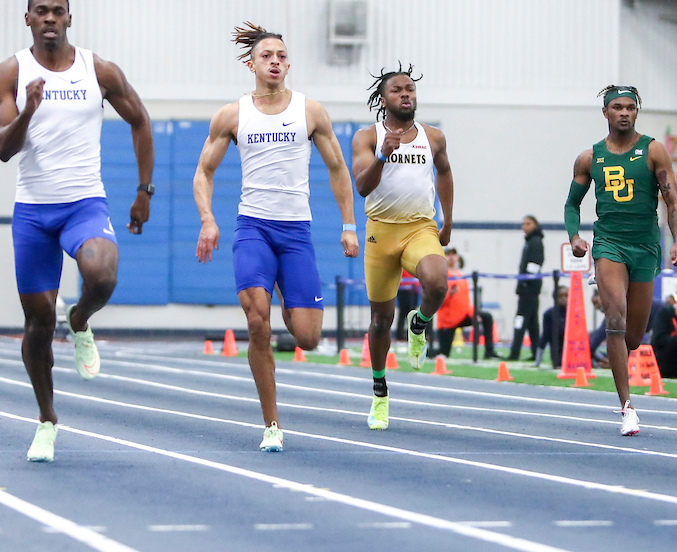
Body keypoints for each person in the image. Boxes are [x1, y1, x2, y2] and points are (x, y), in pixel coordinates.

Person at [0, 0, 155, 463]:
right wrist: (28, 112)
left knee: (103, 274)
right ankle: (46, 419)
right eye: (40, 11)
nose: (49, 19)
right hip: (34, 212)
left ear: (68, 19)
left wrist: (144, 192)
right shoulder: (11, 73)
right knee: (37, 322)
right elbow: (2, 148)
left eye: (57, 11)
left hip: (84, 203)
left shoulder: (96, 70)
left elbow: (140, 120)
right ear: (28, 19)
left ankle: (80, 317)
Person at [194, 23, 359, 452]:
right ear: (252, 64)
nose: (275, 62)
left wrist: (348, 225)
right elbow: (204, 172)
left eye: (282, 56)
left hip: (296, 233)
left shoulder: (311, 111)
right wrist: (208, 220)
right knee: (256, 323)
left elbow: (339, 168)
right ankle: (272, 424)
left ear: (289, 64)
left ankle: (287, 291)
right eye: (267, 56)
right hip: (253, 228)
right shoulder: (232, 115)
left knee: (307, 337)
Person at [565, 85, 677, 436]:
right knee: (614, 317)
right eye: (617, 107)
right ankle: (627, 407)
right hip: (609, 243)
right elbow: (572, 204)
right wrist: (574, 236)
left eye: (631, 107)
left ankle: (612, 287)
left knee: (633, 337)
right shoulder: (590, 157)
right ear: (605, 112)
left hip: (645, 245)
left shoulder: (654, 151)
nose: (624, 113)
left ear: (637, 112)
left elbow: (672, 201)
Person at [352, 65, 453, 429]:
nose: (406, 94)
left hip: (419, 228)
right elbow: (362, 187)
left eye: (410, 89)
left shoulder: (433, 137)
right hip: (381, 233)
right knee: (381, 320)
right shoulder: (367, 137)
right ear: (384, 98)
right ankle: (380, 391)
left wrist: (448, 219)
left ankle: (420, 323)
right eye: (397, 90)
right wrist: (382, 155)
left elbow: (444, 172)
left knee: (438, 283)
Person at [434, 248, 495, 358]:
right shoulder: (440, 275)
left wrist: (474, 314)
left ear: (457, 257)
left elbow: (466, 301)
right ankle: (421, 352)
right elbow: (436, 301)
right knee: (443, 353)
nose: (451, 257)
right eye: (448, 255)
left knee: (487, 317)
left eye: (453, 254)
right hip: (448, 320)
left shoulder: (462, 276)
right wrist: (449, 294)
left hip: (463, 315)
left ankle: (489, 351)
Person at [509, 215, 545, 361]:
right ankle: (536, 352)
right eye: (523, 224)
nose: (525, 226)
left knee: (521, 319)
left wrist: (524, 282)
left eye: (528, 223)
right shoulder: (531, 241)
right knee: (532, 323)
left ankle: (515, 352)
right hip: (529, 288)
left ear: (535, 225)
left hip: (529, 288)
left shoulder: (535, 242)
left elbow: (535, 264)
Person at [537, 284, 568, 368]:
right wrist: (538, 361)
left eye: (566, 296)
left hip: (576, 351)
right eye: (560, 296)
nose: (564, 299)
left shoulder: (575, 313)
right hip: (559, 356)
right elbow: (545, 337)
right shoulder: (549, 314)